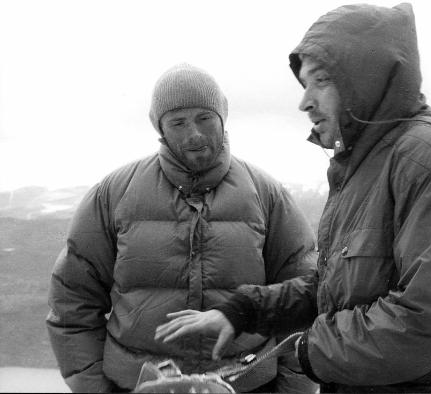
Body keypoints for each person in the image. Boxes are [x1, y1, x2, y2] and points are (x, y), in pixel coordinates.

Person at [155, 4, 431, 393]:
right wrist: (244, 310)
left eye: (321, 81)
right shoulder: (363, 169)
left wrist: (309, 350)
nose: (304, 102)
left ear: (363, 81)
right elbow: (336, 286)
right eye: (304, 84)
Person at [46, 63, 317, 393]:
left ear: (222, 119)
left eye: (205, 118)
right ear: (160, 128)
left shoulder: (266, 195)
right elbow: (72, 302)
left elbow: (302, 301)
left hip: (248, 384)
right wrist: (95, 388)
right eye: (178, 122)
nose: (194, 134)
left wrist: (292, 389)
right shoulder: (114, 194)